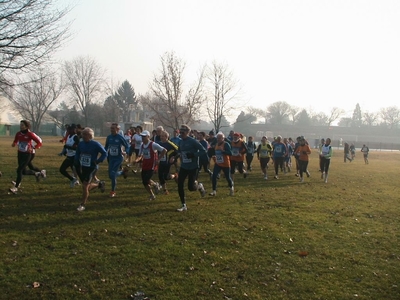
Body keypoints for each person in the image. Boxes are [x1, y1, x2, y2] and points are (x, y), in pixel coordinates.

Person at [169, 124, 207, 212]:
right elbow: (180, 151)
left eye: (182, 132)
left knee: (191, 187)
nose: (181, 134)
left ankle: (199, 186)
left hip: (193, 167)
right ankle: (183, 205)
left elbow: (203, 151)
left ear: (187, 132)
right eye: (180, 132)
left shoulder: (193, 141)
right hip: (184, 166)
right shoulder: (181, 141)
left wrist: (193, 155)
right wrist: (175, 157)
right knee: (180, 184)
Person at [74, 127, 108, 211]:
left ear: (90, 136)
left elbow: (104, 153)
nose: (83, 136)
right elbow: (77, 153)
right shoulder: (81, 144)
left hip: (92, 168)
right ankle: (100, 184)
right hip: (83, 167)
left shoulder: (95, 144)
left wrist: (98, 161)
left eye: (85, 134)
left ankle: (82, 205)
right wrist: (76, 161)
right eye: (83, 134)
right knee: (87, 187)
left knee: (85, 186)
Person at [9, 120, 44, 194]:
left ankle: (16, 187)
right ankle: (36, 173)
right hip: (20, 154)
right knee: (24, 171)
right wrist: (14, 144)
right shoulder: (18, 134)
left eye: (22, 125)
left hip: (27, 154)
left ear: (26, 126)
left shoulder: (30, 134)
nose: (21, 126)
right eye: (20, 125)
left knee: (19, 170)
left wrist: (33, 147)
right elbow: (15, 140)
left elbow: (39, 143)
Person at [135, 130, 167, 200]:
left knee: (146, 180)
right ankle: (153, 192)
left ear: (148, 137)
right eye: (142, 136)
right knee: (144, 182)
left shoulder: (153, 144)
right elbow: (140, 155)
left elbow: (164, 150)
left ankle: (155, 186)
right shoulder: (142, 145)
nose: (142, 138)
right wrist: (136, 160)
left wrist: (158, 160)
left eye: (144, 136)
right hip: (145, 165)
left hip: (152, 166)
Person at [105, 123, 131, 198]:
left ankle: (113, 191)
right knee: (110, 175)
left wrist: (127, 151)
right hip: (111, 158)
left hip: (118, 158)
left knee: (113, 175)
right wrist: (104, 153)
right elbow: (106, 147)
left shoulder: (120, 137)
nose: (111, 130)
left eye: (113, 128)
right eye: (111, 128)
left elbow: (127, 146)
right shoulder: (109, 137)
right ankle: (122, 172)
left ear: (117, 129)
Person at [209, 132, 234, 196]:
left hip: (225, 164)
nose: (218, 139)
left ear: (223, 138)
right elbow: (216, 152)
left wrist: (223, 151)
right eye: (217, 138)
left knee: (228, 177)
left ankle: (231, 188)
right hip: (218, 163)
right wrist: (215, 156)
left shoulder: (226, 144)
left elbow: (230, 153)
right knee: (214, 176)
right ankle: (214, 191)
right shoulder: (216, 144)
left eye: (220, 138)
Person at [157, 130, 178, 194]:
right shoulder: (159, 144)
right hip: (161, 162)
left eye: (163, 136)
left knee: (166, 177)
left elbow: (178, 151)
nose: (161, 137)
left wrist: (174, 157)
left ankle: (175, 175)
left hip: (167, 162)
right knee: (160, 176)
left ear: (166, 137)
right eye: (161, 136)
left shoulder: (170, 144)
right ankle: (165, 190)